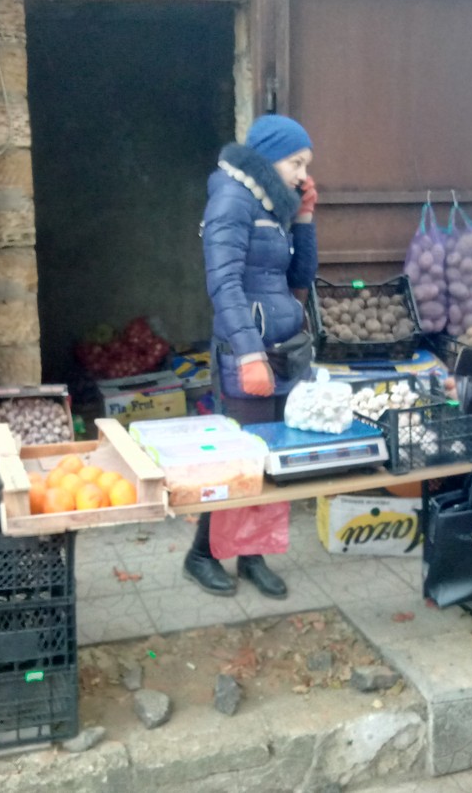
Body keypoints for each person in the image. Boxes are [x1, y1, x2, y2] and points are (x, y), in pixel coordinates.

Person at [186, 114, 319, 598]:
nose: (302, 174)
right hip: (247, 353)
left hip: (281, 351)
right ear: (267, 157)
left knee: (269, 460)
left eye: (306, 165)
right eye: (295, 162)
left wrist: (303, 221)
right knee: (236, 462)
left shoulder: (275, 204)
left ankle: (252, 555)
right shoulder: (231, 199)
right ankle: (201, 554)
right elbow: (223, 283)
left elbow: (300, 276)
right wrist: (247, 354)